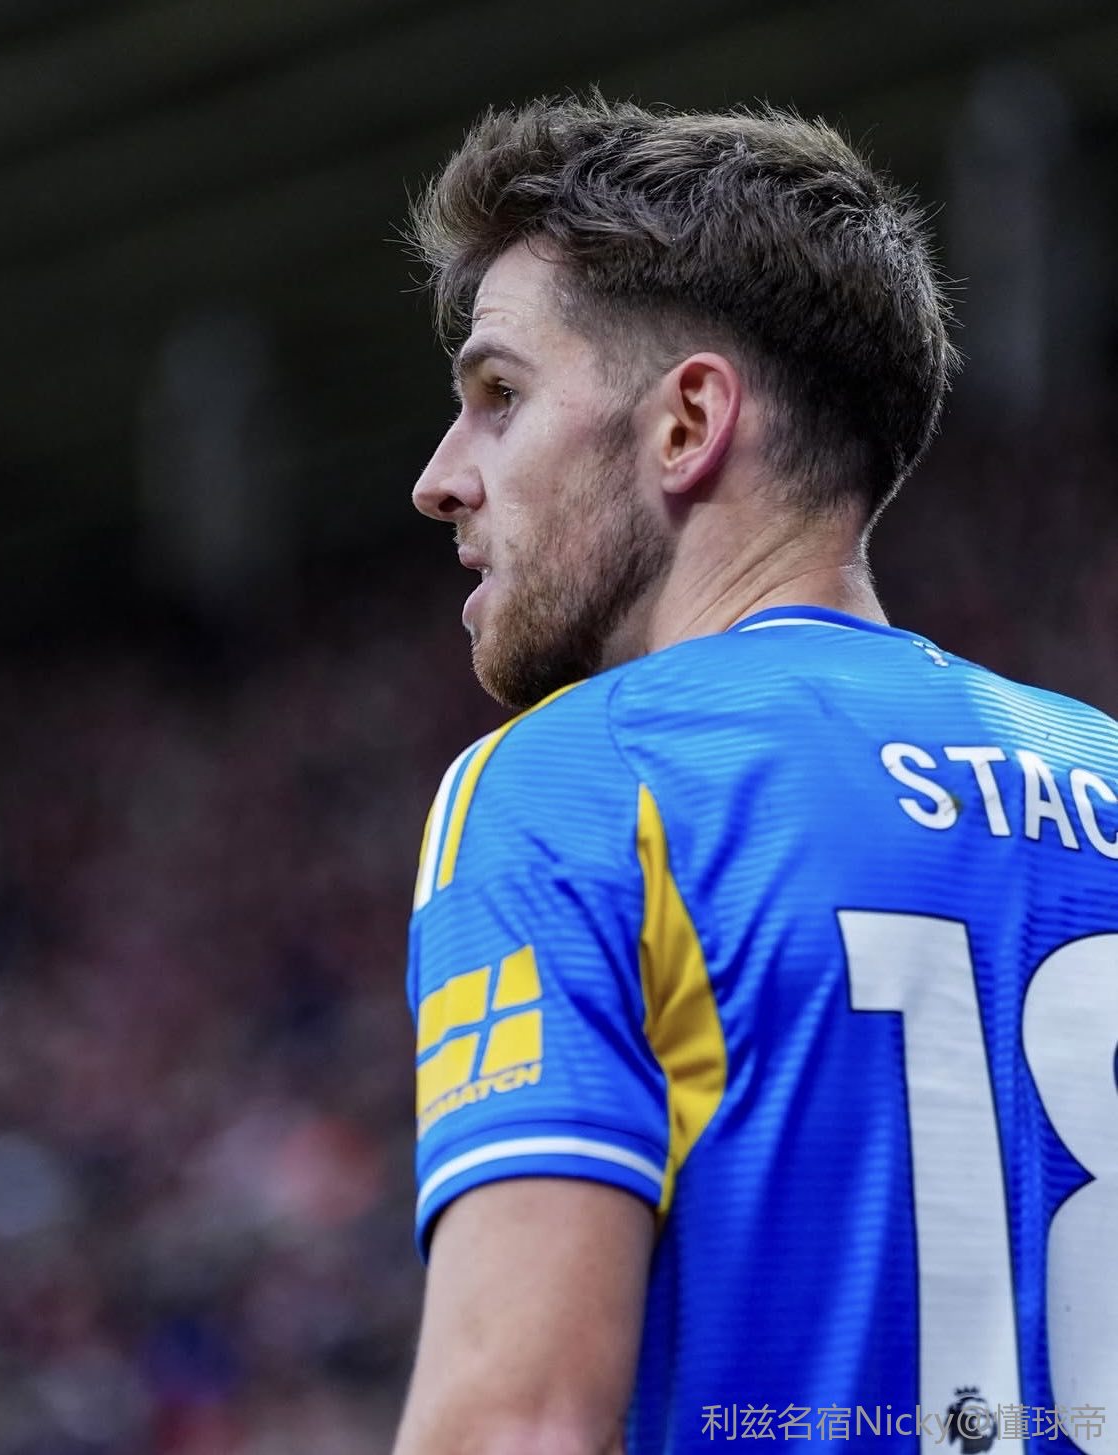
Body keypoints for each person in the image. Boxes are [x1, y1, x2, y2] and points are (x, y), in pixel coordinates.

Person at [393, 94, 1118, 1455]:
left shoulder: (581, 781)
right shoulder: (1102, 772)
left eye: (499, 397)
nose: (441, 479)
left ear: (686, 423)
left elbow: (514, 1425)